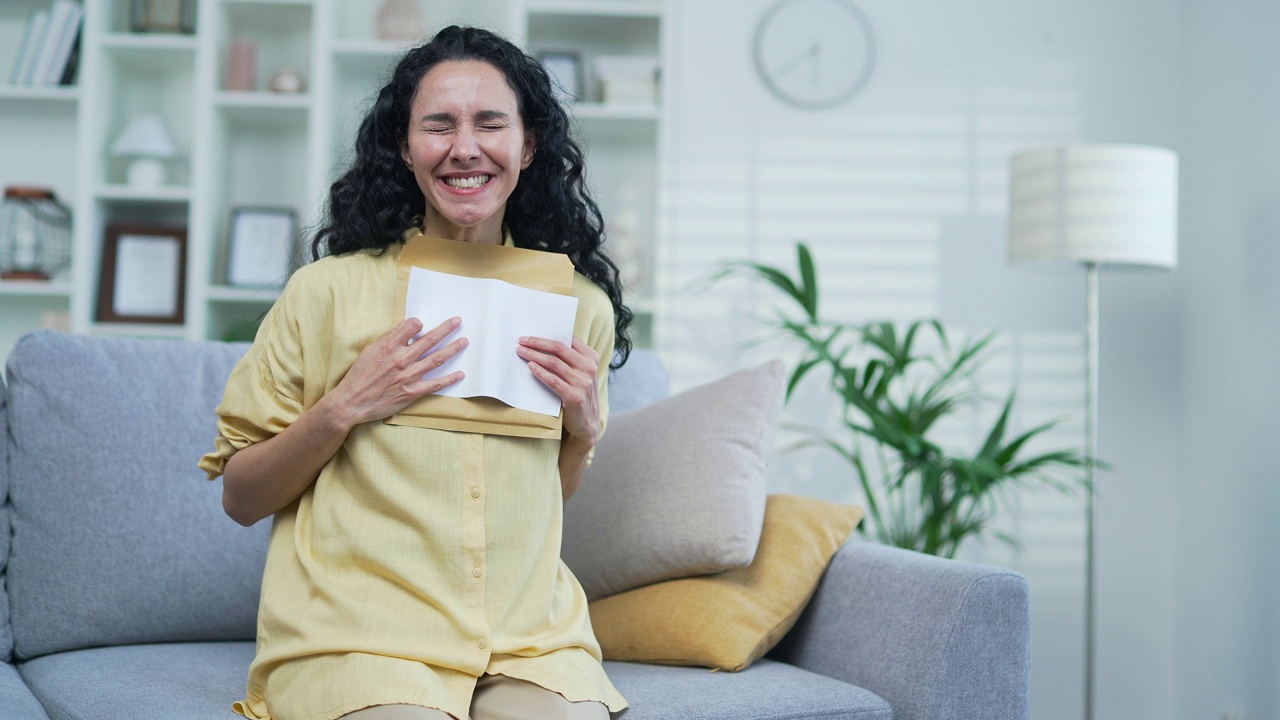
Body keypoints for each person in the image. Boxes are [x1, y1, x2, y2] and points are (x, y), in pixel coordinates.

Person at [198, 25, 632, 720]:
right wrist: (345, 407)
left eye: (491, 123)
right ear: (404, 148)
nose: (466, 147)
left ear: (528, 145)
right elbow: (242, 497)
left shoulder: (576, 306)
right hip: (359, 641)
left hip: (527, 643)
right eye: (439, 125)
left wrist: (581, 431)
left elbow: (542, 498)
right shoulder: (325, 293)